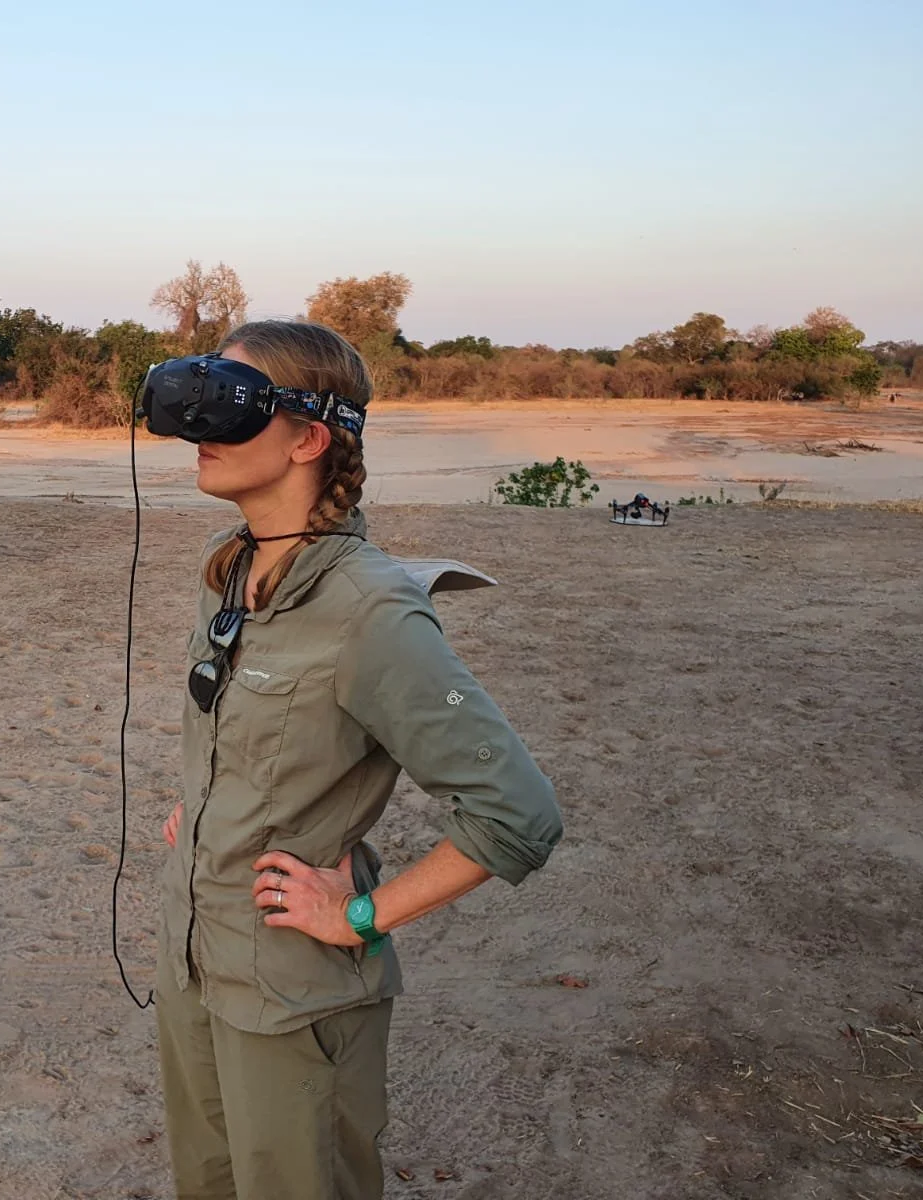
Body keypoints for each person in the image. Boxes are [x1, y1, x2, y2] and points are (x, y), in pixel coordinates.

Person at [155, 320, 564, 1200]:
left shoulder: (372, 611)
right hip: (195, 960)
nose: (200, 429)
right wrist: (204, 805)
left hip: (293, 995)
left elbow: (518, 813)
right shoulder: (231, 570)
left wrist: (363, 914)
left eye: (229, 404)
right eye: (199, 397)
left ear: (309, 436)